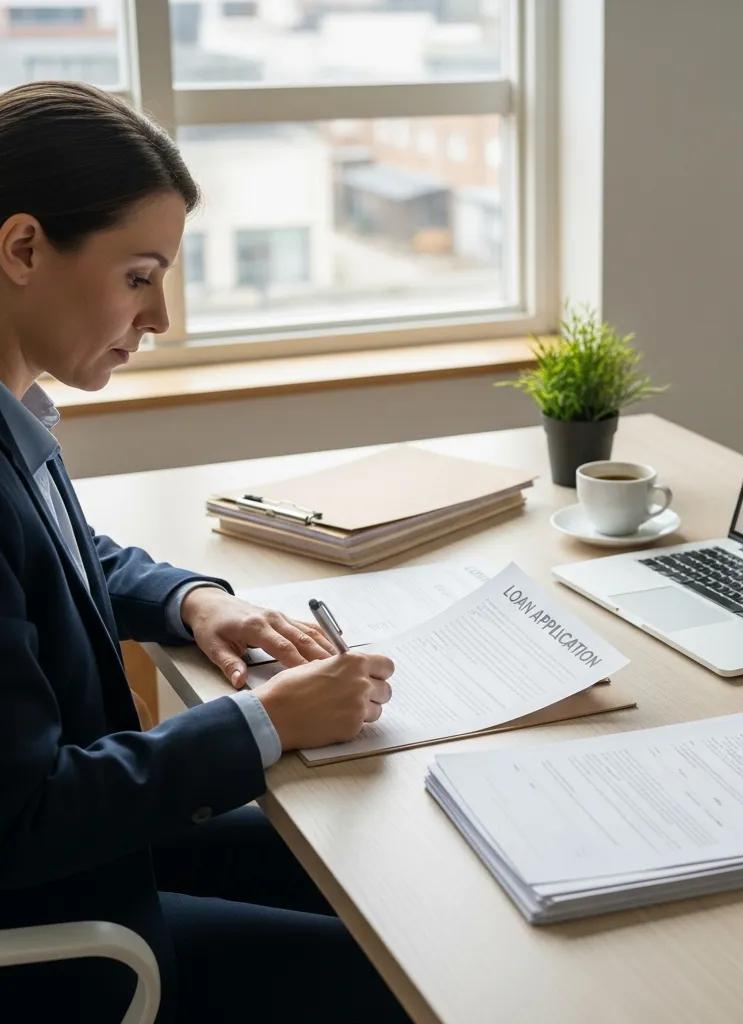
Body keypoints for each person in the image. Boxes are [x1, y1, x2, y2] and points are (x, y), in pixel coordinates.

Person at [0, 81, 407, 1023]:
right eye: (139, 276)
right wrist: (268, 723)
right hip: (63, 936)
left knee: (373, 873)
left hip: (87, 859)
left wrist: (191, 601)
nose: (160, 319)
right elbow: (21, 822)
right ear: (23, 248)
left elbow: (64, 558)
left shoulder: (14, 409)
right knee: (409, 977)